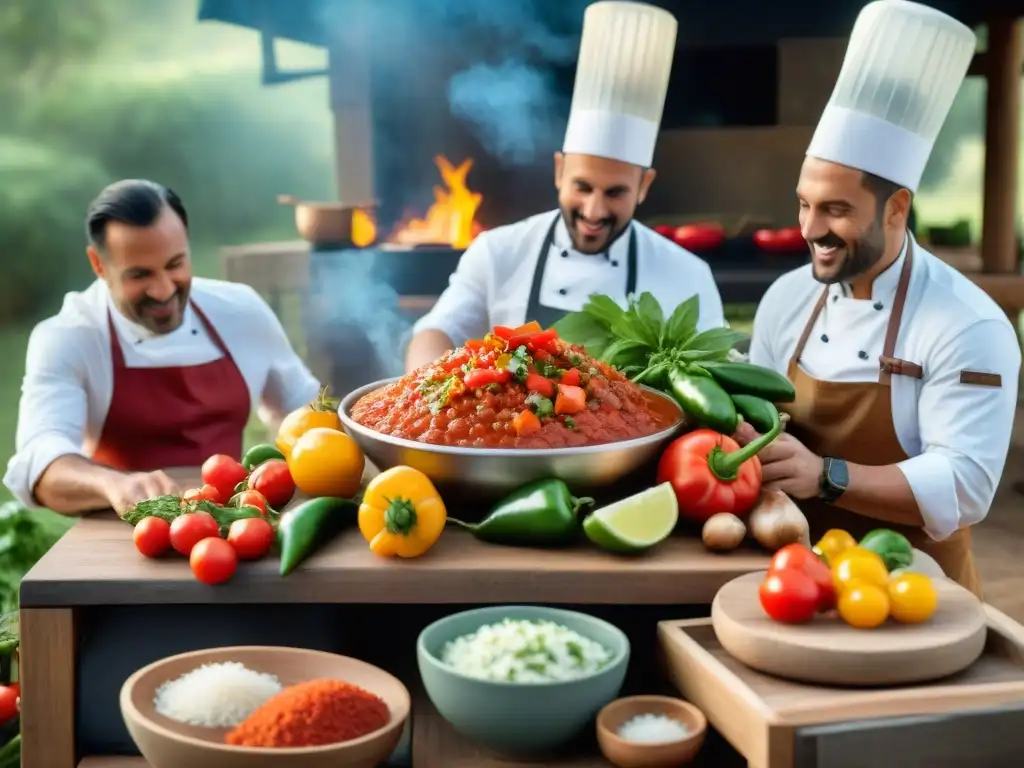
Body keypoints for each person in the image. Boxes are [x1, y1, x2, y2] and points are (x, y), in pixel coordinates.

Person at [743, 0, 1020, 598]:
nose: (810, 228)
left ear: (897, 208)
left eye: (836, 209)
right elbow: (759, 423)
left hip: (915, 592)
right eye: (804, 203)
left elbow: (964, 484)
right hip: (791, 584)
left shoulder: (969, 324)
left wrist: (826, 477)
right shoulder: (787, 297)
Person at [406, 1, 725, 371]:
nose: (593, 211)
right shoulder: (498, 252)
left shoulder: (687, 274)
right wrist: (423, 388)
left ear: (644, 186)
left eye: (615, 192)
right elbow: (437, 330)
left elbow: (713, 375)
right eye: (582, 187)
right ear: (559, 171)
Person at [3, 179, 321, 516]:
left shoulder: (241, 311)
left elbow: (305, 413)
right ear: (98, 265)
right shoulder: (69, 336)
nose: (163, 290)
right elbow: (41, 459)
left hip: (230, 521)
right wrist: (115, 485)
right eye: (140, 275)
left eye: (175, 265)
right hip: (119, 529)